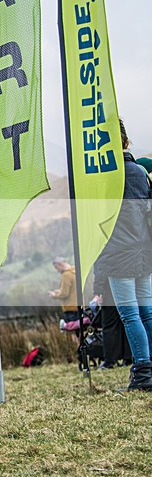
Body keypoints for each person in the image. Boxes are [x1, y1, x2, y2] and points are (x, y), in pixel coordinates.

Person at [95, 120, 152, 391]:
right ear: (127, 142)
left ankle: (143, 372)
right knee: (147, 313)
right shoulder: (141, 173)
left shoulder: (104, 178)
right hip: (144, 252)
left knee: (130, 316)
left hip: (120, 254)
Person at [48, 257, 79, 347]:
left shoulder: (66, 275)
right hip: (79, 306)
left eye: (56, 267)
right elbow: (72, 289)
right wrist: (60, 291)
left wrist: (54, 295)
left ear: (60, 264)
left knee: (73, 332)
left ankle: (79, 350)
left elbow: (64, 294)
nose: (57, 270)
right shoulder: (75, 271)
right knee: (80, 330)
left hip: (70, 308)